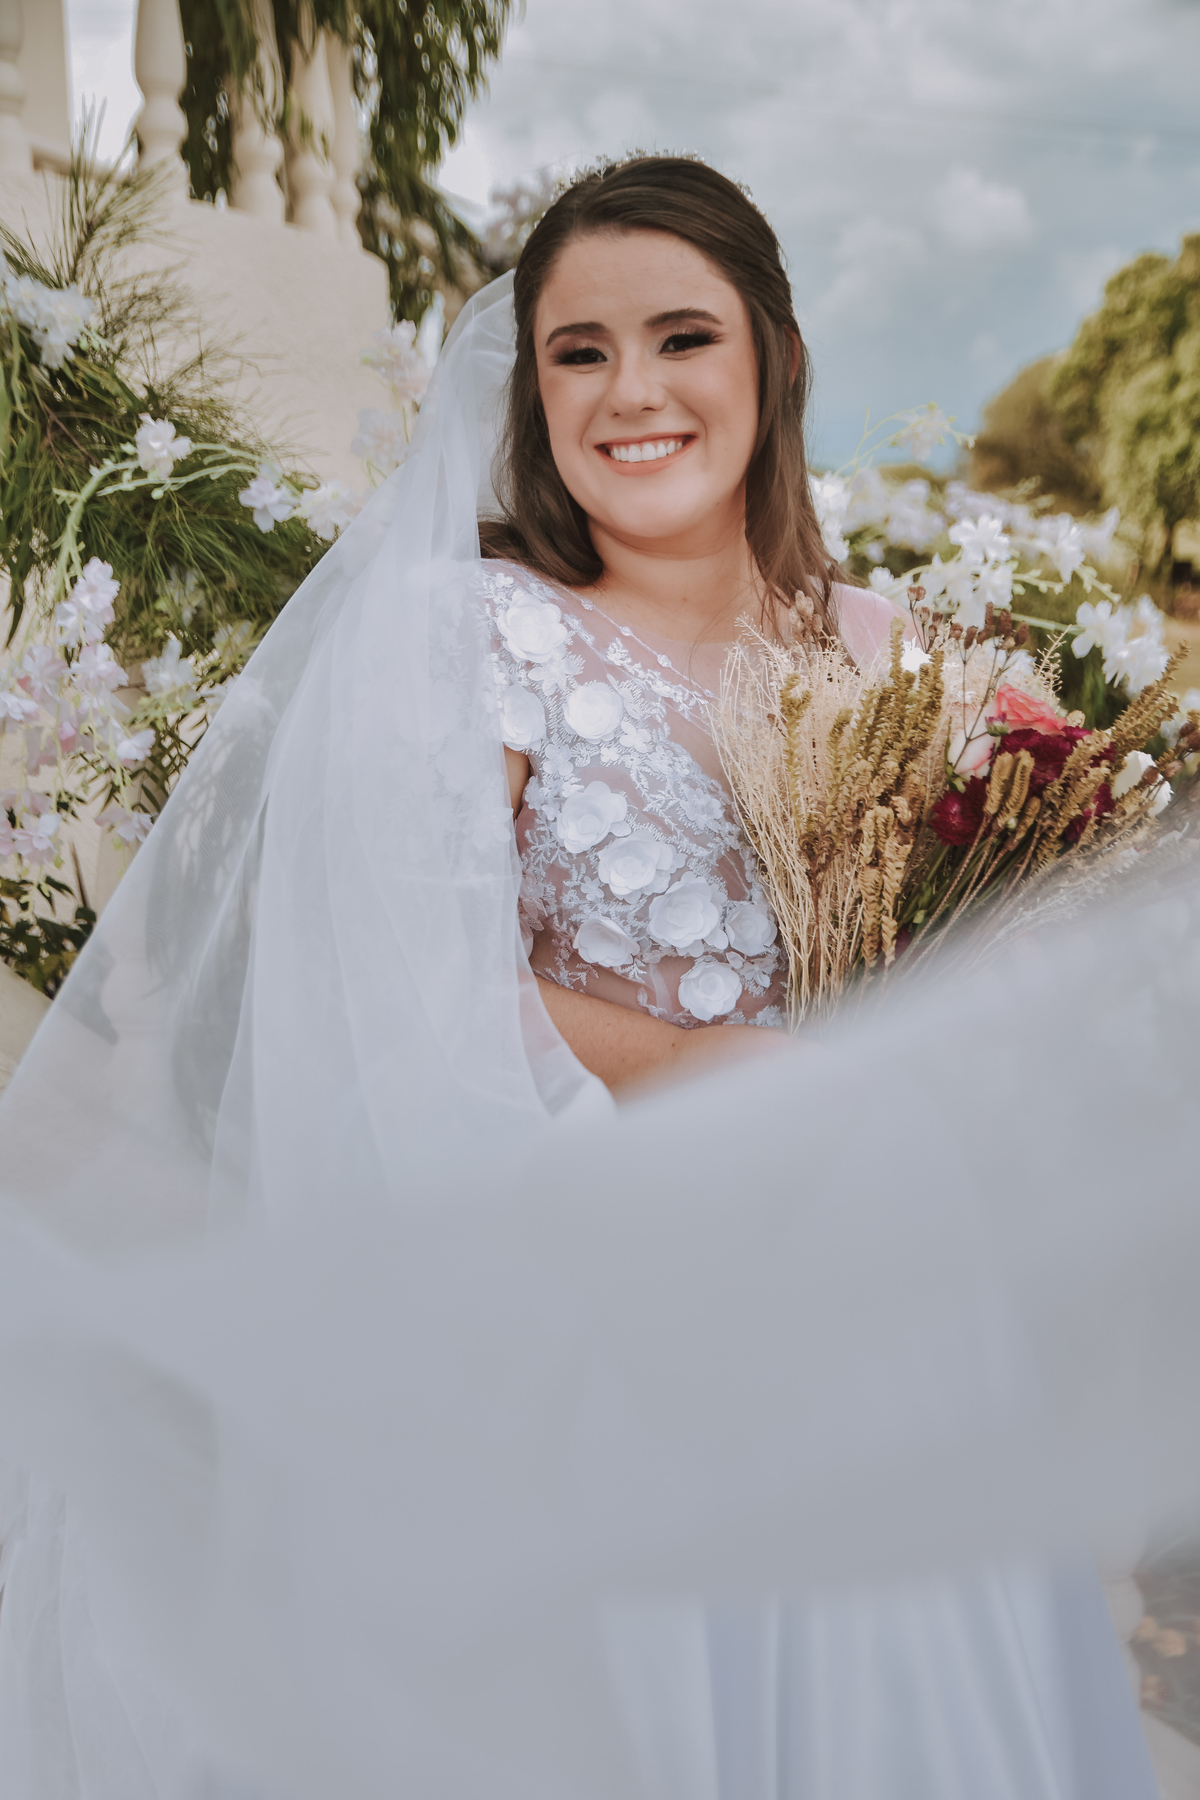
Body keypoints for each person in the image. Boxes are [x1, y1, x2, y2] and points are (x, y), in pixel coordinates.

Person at [0, 154, 1194, 1799]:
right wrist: (695, 1068)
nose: (632, 391)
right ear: (533, 389)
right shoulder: (478, 635)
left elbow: (981, 923)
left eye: (682, 337)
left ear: (775, 360)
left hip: (879, 1295)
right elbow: (405, 984)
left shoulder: (893, 650)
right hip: (605, 1291)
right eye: (581, 351)